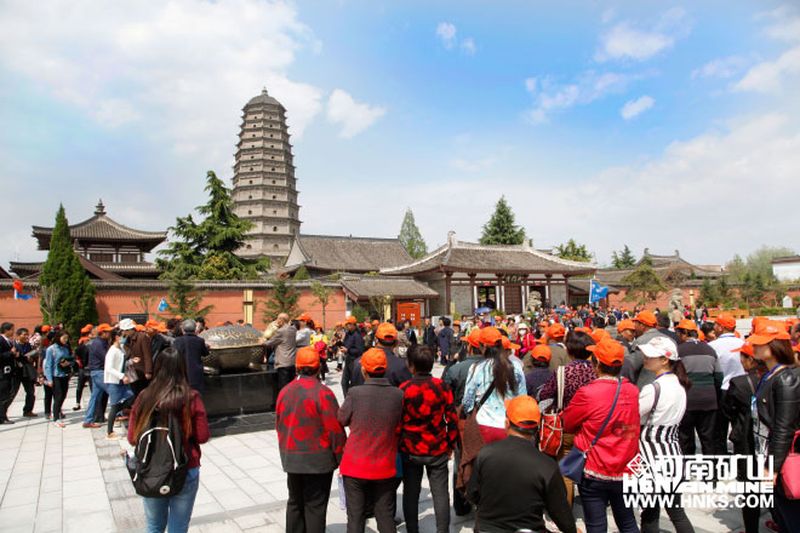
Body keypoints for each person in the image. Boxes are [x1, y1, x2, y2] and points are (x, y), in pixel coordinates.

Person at [562, 338, 641, 533]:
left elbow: (568, 423)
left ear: (596, 363)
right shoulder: (632, 390)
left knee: (596, 524)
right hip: (626, 465)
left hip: (595, 466)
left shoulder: (588, 393)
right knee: (627, 521)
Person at [127, 347, 209, 533]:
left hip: (150, 468)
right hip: (185, 466)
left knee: (154, 526)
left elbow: (132, 438)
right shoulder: (191, 397)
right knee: (178, 527)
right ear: (182, 368)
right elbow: (202, 436)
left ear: (158, 368)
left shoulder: (144, 397)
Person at [466, 395, 577, 533]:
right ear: (537, 428)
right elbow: (562, 515)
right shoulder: (547, 466)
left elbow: (472, 494)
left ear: (507, 423)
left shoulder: (485, 454)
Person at [276, 346, 346, 533]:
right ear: (318, 367)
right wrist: (341, 457)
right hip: (318, 459)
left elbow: (279, 425)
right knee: (315, 506)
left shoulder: (285, 392)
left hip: (292, 457)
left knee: (295, 502)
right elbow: (335, 430)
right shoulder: (323, 393)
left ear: (297, 367)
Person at [338, 348, 404, 533]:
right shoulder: (398, 394)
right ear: (385, 368)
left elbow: (341, 419)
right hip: (384, 463)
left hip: (355, 464)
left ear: (363, 370)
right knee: (385, 515)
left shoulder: (355, 393)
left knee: (356, 516)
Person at [637, 337, 695, 533]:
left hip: (651, 453)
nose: (646, 358)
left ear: (664, 360)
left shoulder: (653, 388)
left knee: (650, 512)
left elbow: (633, 415)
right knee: (676, 511)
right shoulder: (680, 385)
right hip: (672, 452)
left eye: (650, 356)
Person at [398, 346, 457, 533]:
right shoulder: (442, 387)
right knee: (440, 494)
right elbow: (452, 418)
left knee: (411, 493)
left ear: (411, 365)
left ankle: (412, 529)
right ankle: (442, 530)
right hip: (437, 446)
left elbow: (398, 421)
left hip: (410, 448)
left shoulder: (404, 389)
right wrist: (451, 444)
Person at [749, 321, 800, 531]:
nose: (754, 347)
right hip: (765, 452)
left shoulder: (786, 380)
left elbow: (784, 428)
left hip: (780, 459)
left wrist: (773, 467)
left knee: (790, 514)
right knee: (780, 512)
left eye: (760, 343)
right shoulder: (769, 376)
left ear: (775, 346)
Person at [539, 330, 598, 505]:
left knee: (565, 469)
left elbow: (545, 394)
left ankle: (566, 508)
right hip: (592, 426)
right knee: (590, 466)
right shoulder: (596, 371)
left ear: (569, 351)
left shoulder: (562, 372)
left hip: (567, 425)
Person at [722, 341, 763, 533]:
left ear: (751, 360)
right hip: (766, 441)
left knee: (749, 488)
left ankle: (751, 529)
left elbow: (727, 409)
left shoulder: (739, 383)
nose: (740, 360)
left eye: (742, 357)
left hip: (746, 441)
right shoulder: (773, 379)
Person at [462, 327, 525, 444]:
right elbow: (522, 398)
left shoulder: (476, 368)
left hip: (484, 425)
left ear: (483, 346)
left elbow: (467, 403)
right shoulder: (516, 367)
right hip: (509, 425)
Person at [674, 319, 722, 456]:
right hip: (708, 399)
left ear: (684, 333)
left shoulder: (679, 351)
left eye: (678, 333)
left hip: (687, 400)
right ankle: (711, 467)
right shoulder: (710, 349)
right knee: (708, 438)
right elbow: (719, 376)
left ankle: (687, 465)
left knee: (685, 437)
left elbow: (674, 376)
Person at [709, 313, 745, 454]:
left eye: (716, 324)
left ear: (721, 327)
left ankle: (721, 458)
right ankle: (741, 458)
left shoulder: (712, 346)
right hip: (741, 389)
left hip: (722, 390)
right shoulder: (743, 344)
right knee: (740, 427)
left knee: (719, 429)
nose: (714, 327)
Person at [349, 323, 411, 389]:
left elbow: (351, 388)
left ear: (375, 339)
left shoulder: (358, 362)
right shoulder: (402, 366)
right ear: (396, 342)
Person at [622, 310, 669, 387]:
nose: (634, 326)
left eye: (636, 323)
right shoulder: (669, 340)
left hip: (646, 387)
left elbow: (631, 366)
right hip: (667, 386)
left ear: (642, 325)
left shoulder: (641, 341)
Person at [103, 328, 135, 439]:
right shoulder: (112, 351)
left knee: (131, 397)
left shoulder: (121, 349)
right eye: (123, 336)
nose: (125, 338)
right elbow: (109, 368)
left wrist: (131, 361)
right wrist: (122, 376)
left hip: (122, 380)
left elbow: (122, 363)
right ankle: (109, 432)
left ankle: (116, 412)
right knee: (115, 405)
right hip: (114, 381)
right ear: (117, 337)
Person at [83, 324, 112, 428]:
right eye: (108, 332)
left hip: (96, 372)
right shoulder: (98, 344)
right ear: (102, 333)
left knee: (95, 397)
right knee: (114, 392)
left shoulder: (100, 342)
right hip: (99, 372)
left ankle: (88, 420)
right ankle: (118, 415)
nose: (110, 333)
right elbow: (107, 358)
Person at [43, 331, 74, 428]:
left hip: (65, 374)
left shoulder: (66, 348)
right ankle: (56, 418)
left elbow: (71, 359)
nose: (66, 340)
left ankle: (58, 411)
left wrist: (68, 363)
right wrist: (49, 379)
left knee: (64, 395)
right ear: (58, 338)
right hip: (56, 375)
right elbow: (48, 365)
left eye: (67, 338)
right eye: (64, 338)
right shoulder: (51, 349)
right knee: (58, 396)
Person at [173, 320, 209, 393]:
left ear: (183, 329)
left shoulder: (177, 341)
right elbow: (205, 353)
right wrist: (207, 348)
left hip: (182, 370)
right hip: (196, 371)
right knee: (196, 393)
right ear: (195, 329)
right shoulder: (200, 340)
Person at [265, 313, 298, 392]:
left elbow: (269, 343)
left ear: (281, 320)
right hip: (292, 362)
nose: (276, 321)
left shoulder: (281, 331)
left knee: (283, 387)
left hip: (283, 363)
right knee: (291, 386)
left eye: (277, 319)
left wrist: (262, 342)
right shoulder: (293, 329)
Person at [14, 328, 37, 417]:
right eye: (24, 334)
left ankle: (28, 410)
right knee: (12, 393)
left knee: (31, 392)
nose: (26, 336)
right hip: (16, 372)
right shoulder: (13, 345)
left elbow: (32, 357)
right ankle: (3, 412)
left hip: (27, 372)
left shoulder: (28, 345)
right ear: (18, 335)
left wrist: (31, 358)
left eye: (27, 334)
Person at [340, 316, 364, 396]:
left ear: (353, 324)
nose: (347, 326)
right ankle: (347, 399)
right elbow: (345, 344)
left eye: (348, 324)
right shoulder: (348, 334)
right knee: (344, 383)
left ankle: (353, 399)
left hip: (355, 362)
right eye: (346, 324)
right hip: (348, 360)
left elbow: (360, 350)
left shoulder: (357, 336)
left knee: (354, 383)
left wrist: (348, 350)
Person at [73, 323, 94, 411]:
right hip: (89, 367)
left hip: (82, 367)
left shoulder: (80, 341)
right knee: (92, 387)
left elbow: (76, 353)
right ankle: (94, 403)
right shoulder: (90, 342)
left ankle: (77, 403)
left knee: (80, 386)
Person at [0, 323, 18, 423]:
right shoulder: (1, 340)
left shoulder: (9, 341)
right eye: (12, 330)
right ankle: (2, 417)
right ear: (6, 330)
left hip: (9, 371)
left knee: (7, 394)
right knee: (3, 395)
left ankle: (3, 415)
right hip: (2, 372)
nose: (13, 332)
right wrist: (10, 353)